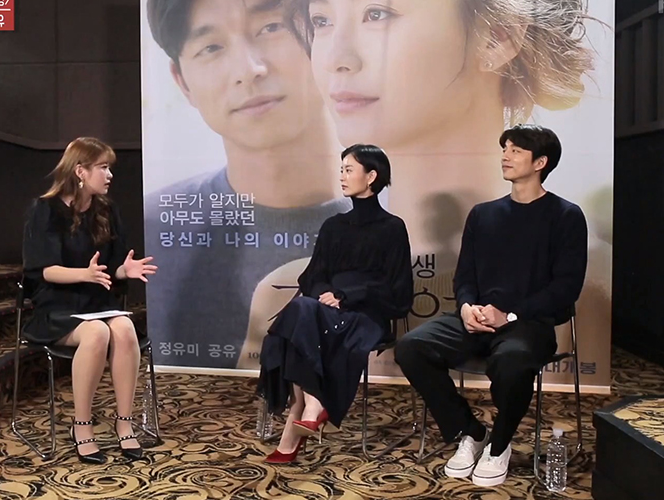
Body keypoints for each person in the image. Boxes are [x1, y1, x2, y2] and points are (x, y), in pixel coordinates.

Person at [284, 0, 597, 262]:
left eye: (377, 14)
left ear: (496, 37)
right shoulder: (291, 290)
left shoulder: (578, 273)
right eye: (321, 21)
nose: (335, 60)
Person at [144, 0, 352, 369]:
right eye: (211, 47)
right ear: (182, 82)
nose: (249, 70)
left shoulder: (407, 215)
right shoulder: (155, 225)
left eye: (271, 28)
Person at [394, 125, 588, 487]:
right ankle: (471, 431)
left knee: (512, 361)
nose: (506, 156)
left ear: (540, 162)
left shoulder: (565, 215)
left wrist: (510, 314)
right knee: (411, 347)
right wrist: (466, 307)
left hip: (528, 323)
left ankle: (499, 445)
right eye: (505, 148)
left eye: (516, 150)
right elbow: (465, 276)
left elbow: (565, 288)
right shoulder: (483, 214)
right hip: (476, 318)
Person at [257, 144, 413, 463]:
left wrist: (347, 295)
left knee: (298, 319)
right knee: (302, 310)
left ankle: (302, 412)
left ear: (371, 176)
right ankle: (311, 405)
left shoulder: (392, 227)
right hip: (325, 309)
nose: (342, 176)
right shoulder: (334, 226)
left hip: (367, 313)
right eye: (341, 169)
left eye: (349, 169)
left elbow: (396, 289)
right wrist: (328, 293)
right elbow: (312, 276)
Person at [22, 137, 158, 464]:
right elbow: (45, 270)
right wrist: (84, 274)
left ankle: (124, 423)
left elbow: (111, 268)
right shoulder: (45, 209)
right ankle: (81, 425)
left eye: (109, 168)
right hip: (56, 306)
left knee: (123, 328)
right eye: (103, 167)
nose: (109, 175)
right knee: (97, 332)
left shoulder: (106, 210)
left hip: (96, 301)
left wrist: (124, 270)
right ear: (80, 171)